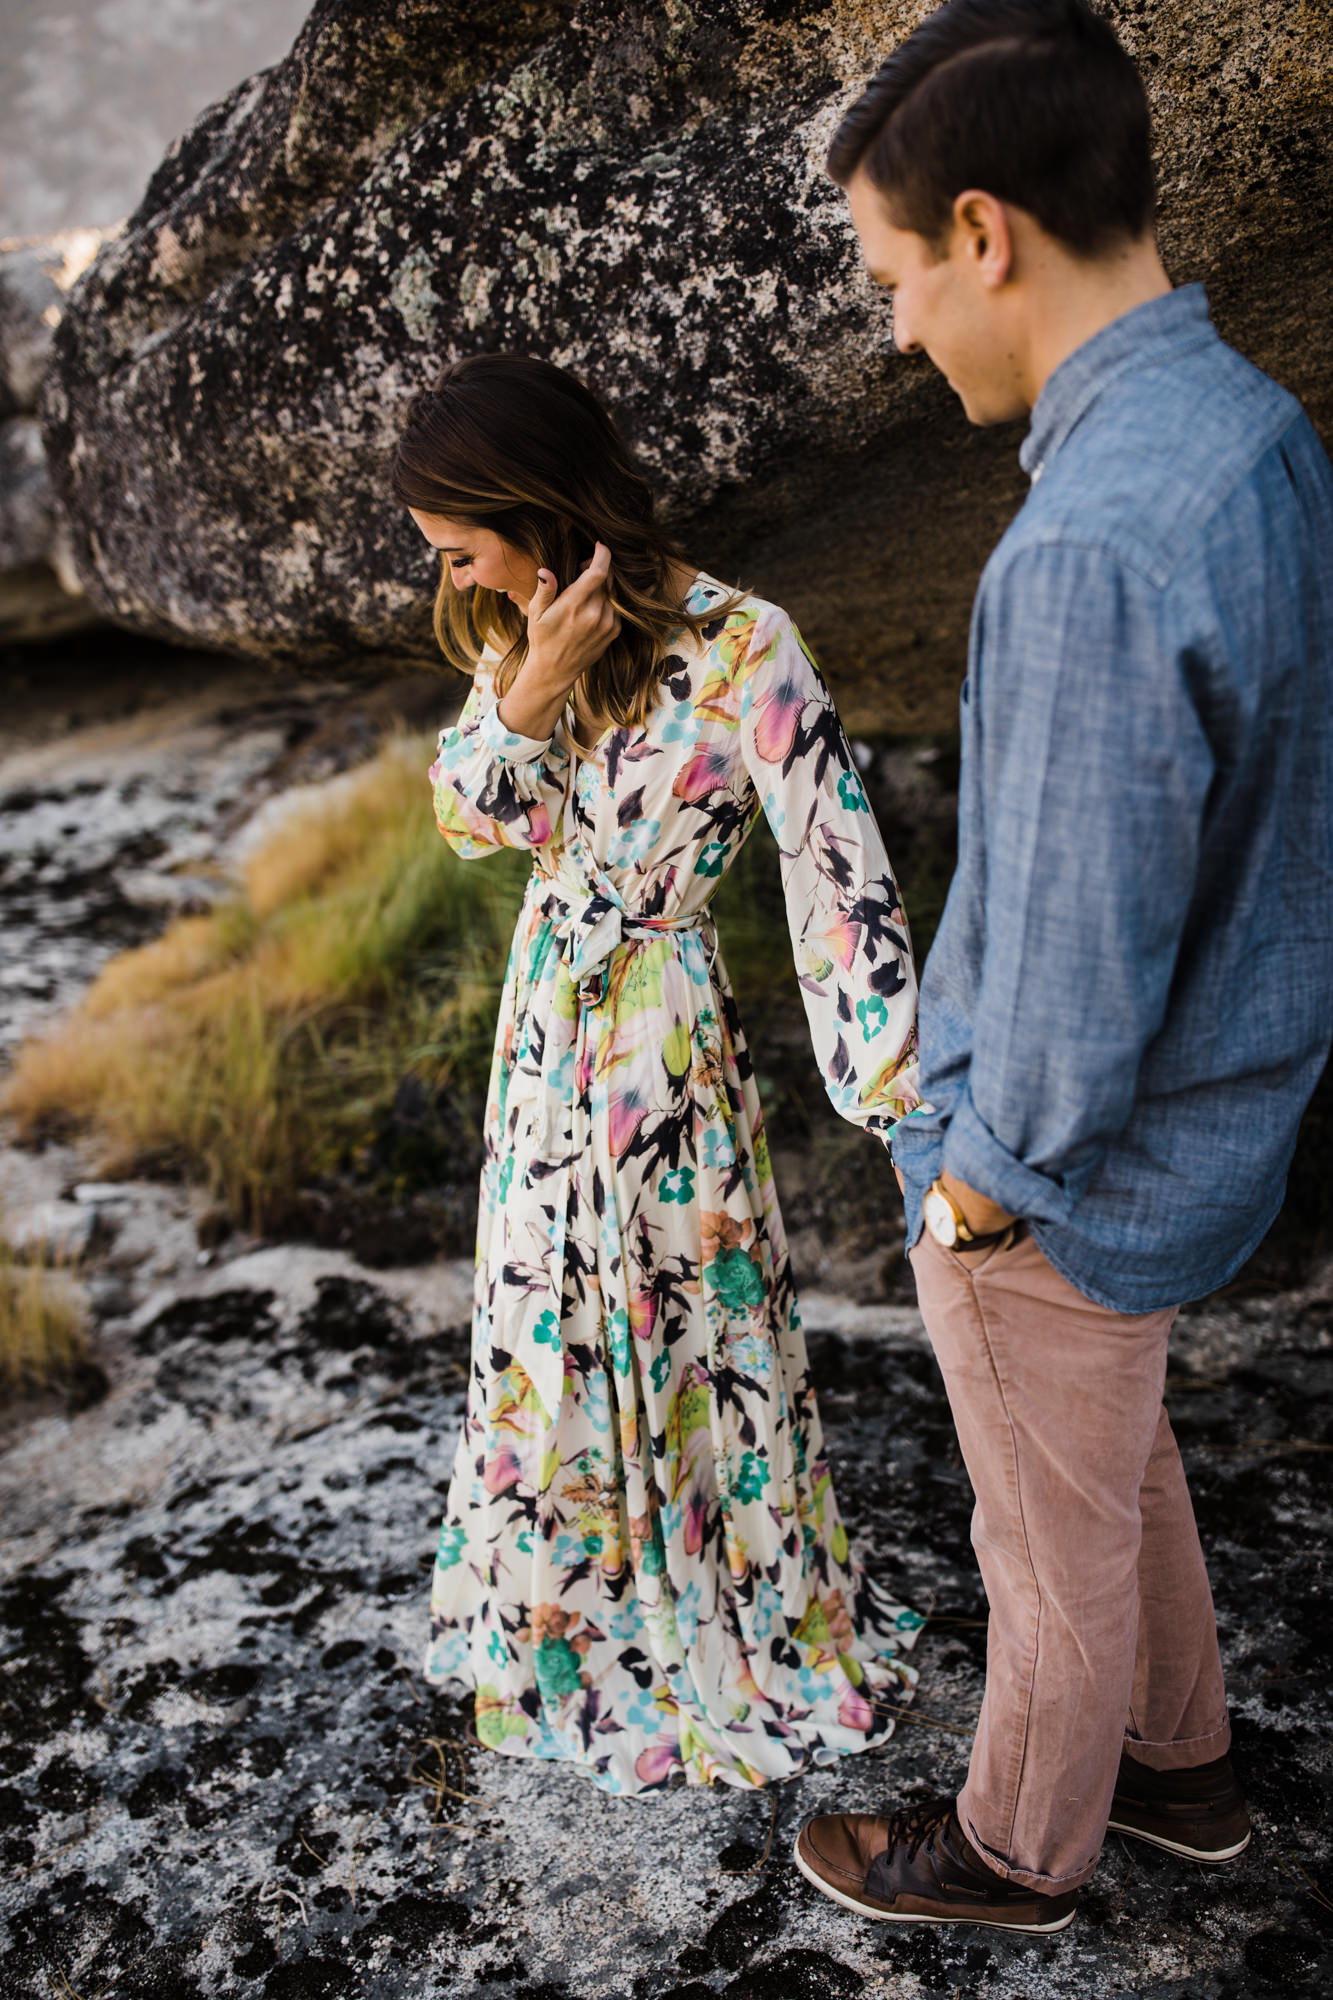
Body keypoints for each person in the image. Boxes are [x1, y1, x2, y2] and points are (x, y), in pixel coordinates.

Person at [795, 0, 1333, 1936]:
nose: (895, 324)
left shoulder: (1088, 545)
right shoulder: (1254, 430)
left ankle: (1020, 1847)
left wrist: (975, 1179)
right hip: (1213, 1121)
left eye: (891, 272)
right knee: (1110, 1466)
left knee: (1039, 1533)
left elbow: (1085, 942)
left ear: (987, 235)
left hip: (1074, 1161)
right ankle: (1183, 1773)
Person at [391, 353, 927, 1795]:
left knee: (685, 1306)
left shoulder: (749, 643)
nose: (458, 577)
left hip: (660, 1031)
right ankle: (575, 1609)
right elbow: (464, 816)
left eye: (464, 544)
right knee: (542, 1313)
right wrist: (533, 685)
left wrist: (893, 1100)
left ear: (539, 503)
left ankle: (714, 1614)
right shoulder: (512, 635)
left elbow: (838, 875)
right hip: (543, 1015)